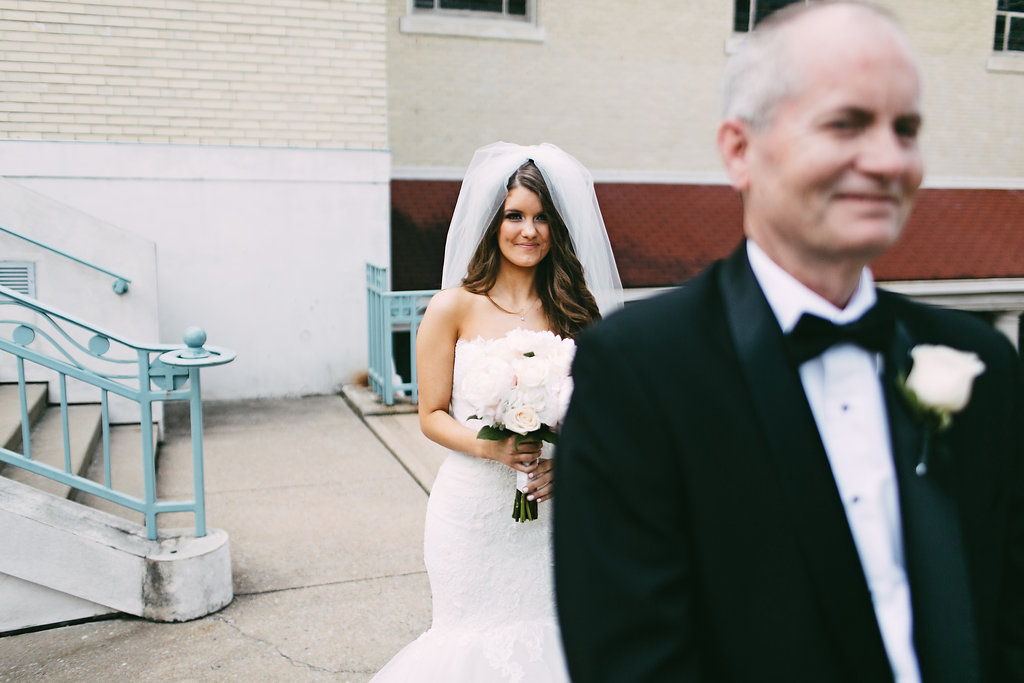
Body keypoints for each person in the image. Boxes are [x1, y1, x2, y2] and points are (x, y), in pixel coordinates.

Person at [554, 3, 1024, 682]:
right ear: (740, 150)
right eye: (847, 123)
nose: (890, 160)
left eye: (907, 129)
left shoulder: (982, 361)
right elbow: (634, 661)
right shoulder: (637, 373)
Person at [371, 141, 622, 682]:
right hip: (472, 515)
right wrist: (491, 446)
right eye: (515, 215)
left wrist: (571, 459)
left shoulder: (575, 311)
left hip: (553, 513)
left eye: (541, 218)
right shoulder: (451, 307)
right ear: (493, 222)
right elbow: (431, 413)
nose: (528, 231)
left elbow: (606, 416)